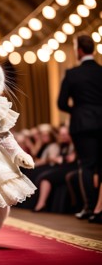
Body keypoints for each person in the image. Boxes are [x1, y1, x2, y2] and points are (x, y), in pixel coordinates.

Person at [58, 34, 102, 221]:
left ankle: (90, 208)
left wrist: (77, 110)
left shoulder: (72, 73)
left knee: (86, 165)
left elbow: (61, 103)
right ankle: (100, 209)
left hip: (82, 124)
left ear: (79, 50)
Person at [32, 125, 77, 212]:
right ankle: (41, 203)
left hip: (70, 168)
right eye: (61, 134)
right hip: (62, 167)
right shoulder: (61, 145)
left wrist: (61, 159)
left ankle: (41, 203)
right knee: (42, 176)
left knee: (44, 176)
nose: (63, 136)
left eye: (65, 134)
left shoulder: (74, 144)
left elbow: (71, 159)